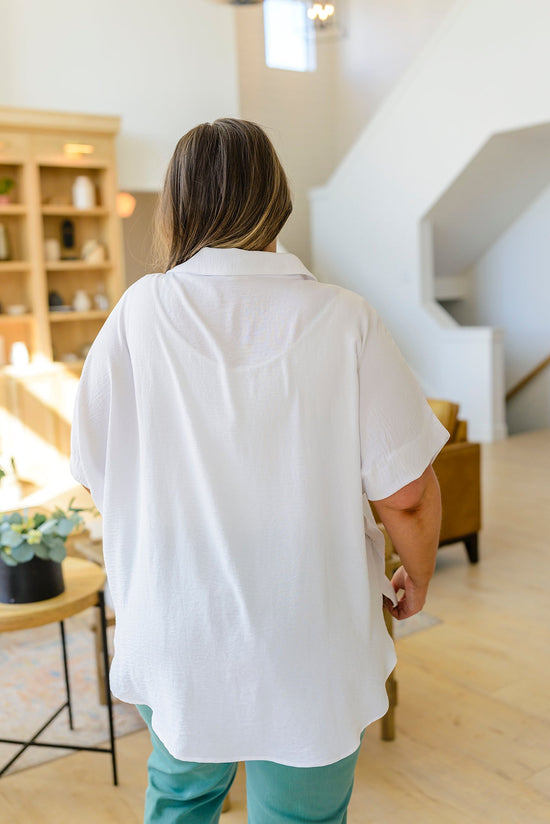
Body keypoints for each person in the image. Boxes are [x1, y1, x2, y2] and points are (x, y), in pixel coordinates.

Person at [70, 118, 448, 824]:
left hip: (176, 625)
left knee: (182, 800)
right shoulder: (346, 320)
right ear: (278, 200)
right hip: (311, 632)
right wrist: (417, 575)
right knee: (302, 818)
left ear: (176, 206)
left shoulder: (136, 315)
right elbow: (407, 492)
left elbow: (95, 469)